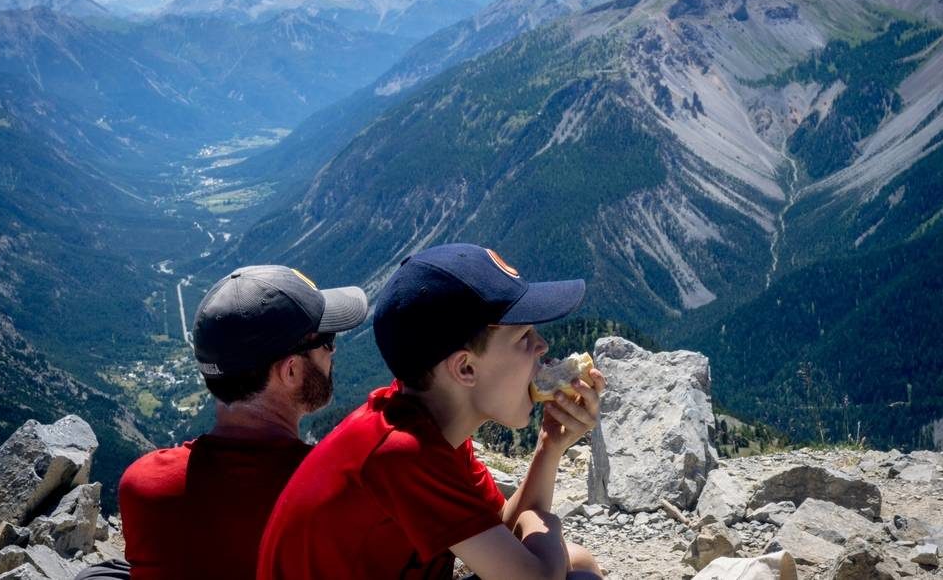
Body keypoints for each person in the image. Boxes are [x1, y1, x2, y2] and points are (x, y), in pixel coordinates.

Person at [257, 243, 606, 579]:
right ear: (465, 369)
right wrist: (544, 519)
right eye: (523, 337)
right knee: (576, 573)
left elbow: (501, 527)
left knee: (577, 562)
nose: (542, 345)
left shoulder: (427, 427)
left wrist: (550, 446)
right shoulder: (402, 453)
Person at [87, 265, 367, 580]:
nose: (333, 351)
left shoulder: (144, 486)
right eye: (326, 341)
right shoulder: (336, 493)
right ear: (289, 371)